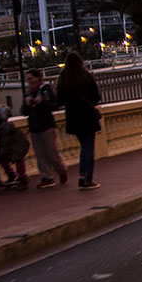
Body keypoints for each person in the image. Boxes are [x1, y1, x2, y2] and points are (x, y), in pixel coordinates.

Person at [56, 51, 102, 190]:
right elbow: (95, 97)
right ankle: (88, 179)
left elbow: (59, 100)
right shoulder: (86, 76)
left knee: (83, 147)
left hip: (73, 116)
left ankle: (82, 176)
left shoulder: (64, 78)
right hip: (87, 115)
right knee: (89, 148)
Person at [24, 68, 68, 188]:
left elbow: (55, 106)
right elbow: (23, 111)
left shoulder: (45, 89)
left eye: (30, 78)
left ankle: (61, 170)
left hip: (47, 125)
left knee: (51, 153)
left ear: (38, 78)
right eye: (27, 79)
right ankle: (47, 177)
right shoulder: (28, 93)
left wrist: (41, 103)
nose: (29, 81)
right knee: (40, 155)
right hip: (34, 126)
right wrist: (28, 104)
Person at [0, 108, 30, 189]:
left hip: (17, 144)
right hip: (9, 145)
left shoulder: (5, 127)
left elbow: (5, 144)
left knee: (18, 159)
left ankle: (22, 178)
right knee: (2, 160)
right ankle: (11, 174)